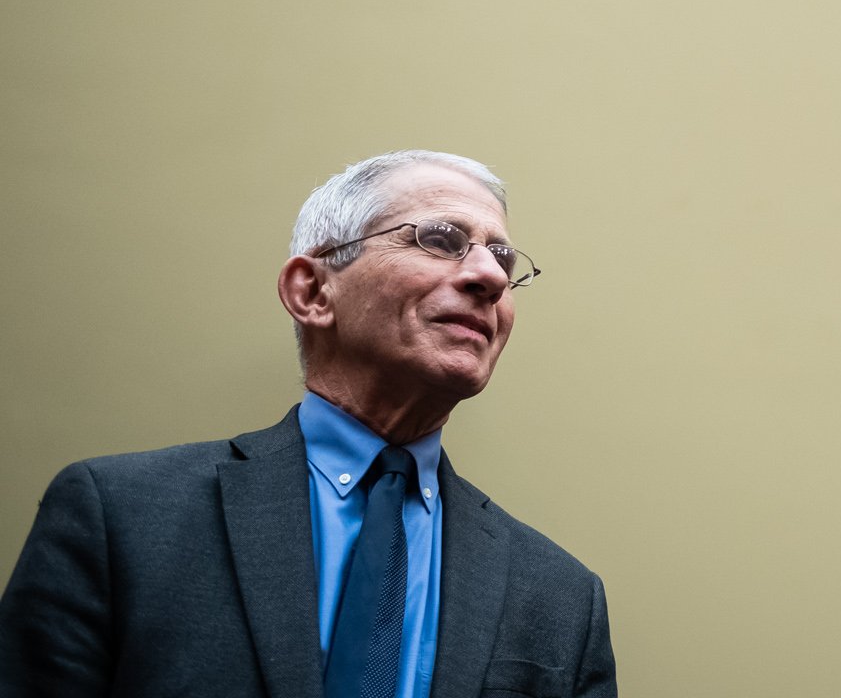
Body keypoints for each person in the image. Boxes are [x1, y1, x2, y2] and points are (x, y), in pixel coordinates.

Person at [0, 150, 616, 698]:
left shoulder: (561, 596)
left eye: (502, 257)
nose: (489, 276)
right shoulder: (121, 519)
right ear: (313, 292)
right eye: (441, 239)